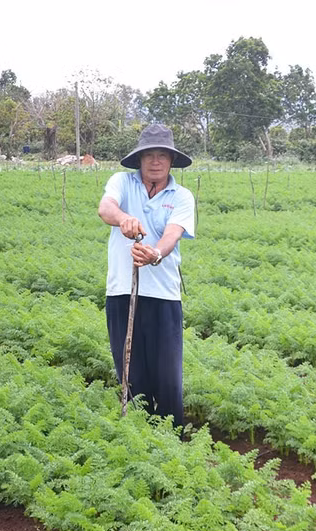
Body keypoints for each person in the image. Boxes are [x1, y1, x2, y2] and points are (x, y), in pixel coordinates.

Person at [98, 124, 195, 428]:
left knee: (167, 379)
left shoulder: (182, 196)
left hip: (164, 295)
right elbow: (106, 208)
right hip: (122, 293)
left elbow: (172, 235)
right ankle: (138, 439)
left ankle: (171, 442)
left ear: (171, 160)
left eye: (162, 155)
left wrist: (155, 254)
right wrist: (124, 218)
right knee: (131, 376)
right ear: (139, 159)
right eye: (149, 155)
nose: (155, 161)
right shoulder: (122, 183)